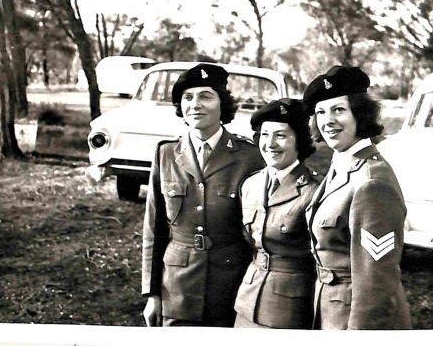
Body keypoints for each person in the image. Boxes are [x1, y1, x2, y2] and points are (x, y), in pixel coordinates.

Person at [141, 63, 265, 327]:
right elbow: (154, 230)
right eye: (188, 97)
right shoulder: (166, 153)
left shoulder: (250, 156)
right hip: (176, 287)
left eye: (205, 96)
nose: (195, 104)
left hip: (232, 284)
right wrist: (152, 294)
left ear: (223, 104)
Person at [302, 65, 412, 330]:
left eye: (339, 109)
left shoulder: (372, 183)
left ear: (360, 114)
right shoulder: (343, 164)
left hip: (356, 322)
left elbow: (376, 283)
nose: (328, 120)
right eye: (320, 112)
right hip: (332, 311)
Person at [233, 99, 319, 329]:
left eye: (280, 135)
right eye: (264, 135)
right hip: (246, 301)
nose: (270, 144)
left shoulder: (314, 190)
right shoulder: (250, 184)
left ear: (299, 140)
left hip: (289, 307)